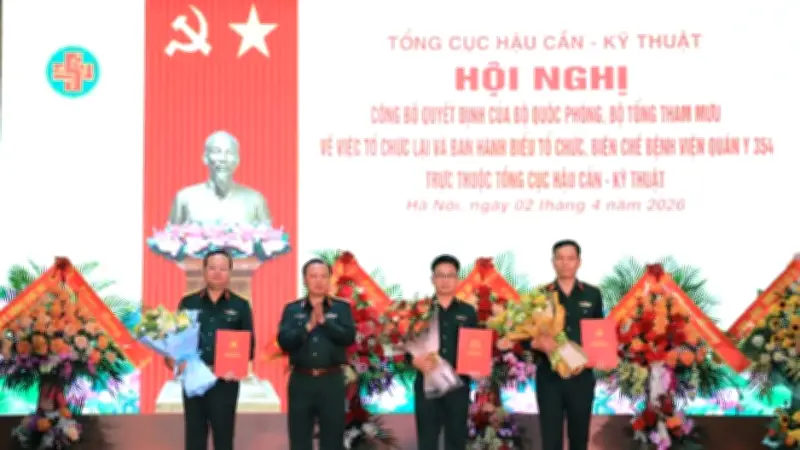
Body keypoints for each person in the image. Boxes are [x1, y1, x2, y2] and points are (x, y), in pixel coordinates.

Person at [166, 249, 256, 450]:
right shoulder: (188, 303)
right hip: (194, 378)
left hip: (225, 381)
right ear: (204, 270)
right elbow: (177, 340)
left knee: (224, 438)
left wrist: (238, 366)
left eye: (223, 268)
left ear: (230, 272)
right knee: (195, 437)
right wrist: (176, 361)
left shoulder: (240, 305)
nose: (217, 273)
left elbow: (249, 345)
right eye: (212, 268)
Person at [533, 239, 606, 450]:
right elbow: (528, 335)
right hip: (549, 377)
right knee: (551, 440)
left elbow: (599, 333)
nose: (565, 263)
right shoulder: (540, 295)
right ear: (553, 262)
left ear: (579, 262)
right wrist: (537, 343)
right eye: (560, 258)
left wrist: (601, 356)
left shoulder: (592, 294)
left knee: (579, 439)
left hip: (581, 377)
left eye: (570, 258)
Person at [278, 258, 356, 450]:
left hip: (331, 381)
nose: (319, 281)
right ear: (305, 280)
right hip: (301, 381)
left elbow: (348, 338)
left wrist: (325, 322)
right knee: (299, 439)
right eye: (313, 276)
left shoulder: (341, 308)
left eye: (323, 276)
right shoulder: (292, 309)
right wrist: (308, 326)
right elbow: (284, 342)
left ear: (330, 279)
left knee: (332, 440)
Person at [413, 254, 479, 450]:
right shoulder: (418, 311)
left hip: (457, 385)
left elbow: (476, 346)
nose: (445, 280)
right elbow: (404, 342)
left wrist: (477, 367)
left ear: (457, 279)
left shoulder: (468, 312)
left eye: (450, 275)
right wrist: (413, 360)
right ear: (432, 279)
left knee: (456, 440)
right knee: (427, 441)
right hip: (427, 384)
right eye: (440, 275)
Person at [168, 130, 271, 225]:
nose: (223, 159)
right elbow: (170, 236)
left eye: (229, 153)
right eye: (217, 152)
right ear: (205, 158)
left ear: (237, 160)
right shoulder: (185, 198)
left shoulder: (255, 200)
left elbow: (268, 237)